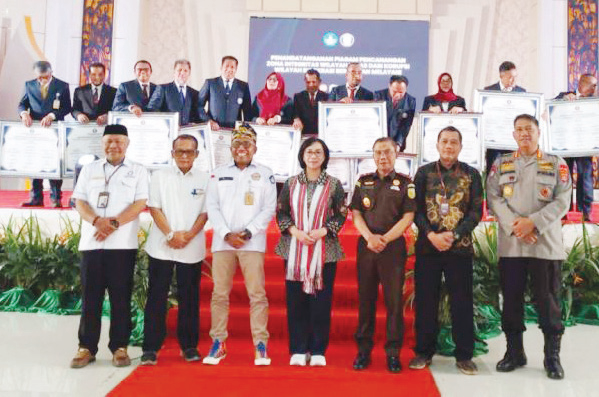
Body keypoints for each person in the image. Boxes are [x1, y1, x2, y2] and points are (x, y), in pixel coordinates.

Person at [487, 114, 571, 380]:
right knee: (511, 300)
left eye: (529, 129)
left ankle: (552, 357)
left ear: (538, 132)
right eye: (519, 130)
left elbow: (563, 201)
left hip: (544, 246)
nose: (524, 134)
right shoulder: (501, 164)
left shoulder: (556, 164)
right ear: (513, 135)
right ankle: (514, 352)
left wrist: (532, 224)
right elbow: (493, 197)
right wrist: (516, 225)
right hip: (512, 246)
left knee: (548, 302)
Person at [69, 124, 149, 369]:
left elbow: (140, 203)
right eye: (109, 141)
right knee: (90, 297)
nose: (113, 145)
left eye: (119, 141)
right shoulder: (89, 169)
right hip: (91, 243)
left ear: (127, 144)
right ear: (102, 143)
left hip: (122, 246)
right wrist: (96, 221)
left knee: (120, 298)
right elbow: (79, 200)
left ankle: (119, 347)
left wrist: (112, 224)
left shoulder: (138, 171)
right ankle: (86, 348)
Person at [409, 126, 483, 375]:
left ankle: (464, 356)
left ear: (461, 147)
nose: (449, 146)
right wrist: (431, 234)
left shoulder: (472, 174)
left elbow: (476, 211)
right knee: (426, 300)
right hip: (428, 247)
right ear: (437, 145)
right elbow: (415, 210)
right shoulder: (423, 173)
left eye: (454, 142)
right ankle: (423, 352)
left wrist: (456, 234)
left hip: (459, 247)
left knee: (462, 302)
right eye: (444, 142)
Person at [203, 124, 277, 366]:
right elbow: (211, 206)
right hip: (222, 244)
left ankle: (260, 344)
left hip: (252, 243)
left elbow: (269, 209)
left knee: (257, 295)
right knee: (219, 294)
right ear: (231, 148)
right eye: (237, 144)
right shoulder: (216, 172)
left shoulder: (266, 174)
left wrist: (247, 233)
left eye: (247, 144)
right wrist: (226, 234)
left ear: (255, 147)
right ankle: (218, 343)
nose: (242, 148)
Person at [275, 138, 347, 367]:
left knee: (320, 302)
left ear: (325, 157)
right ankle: (298, 348)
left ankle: (317, 349)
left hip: (324, 251)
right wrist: (295, 231)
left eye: (318, 152)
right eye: (309, 152)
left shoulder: (334, 184)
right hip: (294, 249)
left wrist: (325, 230)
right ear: (302, 155)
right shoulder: (291, 183)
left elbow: (341, 213)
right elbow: (281, 212)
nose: (313, 156)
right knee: (295, 301)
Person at [141, 134, 209, 365]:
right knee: (156, 297)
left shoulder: (205, 178)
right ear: (172, 154)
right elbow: (154, 208)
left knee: (189, 297)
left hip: (192, 246)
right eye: (179, 151)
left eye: (189, 151)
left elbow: (205, 212)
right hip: (162, 246)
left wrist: (188, 236)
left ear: (197, 155)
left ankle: (189, 346)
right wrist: (171, 234)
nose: (184, 156)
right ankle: (150, 347)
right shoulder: (159, 176)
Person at [350, 137, 415, 373]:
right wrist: (369, 238)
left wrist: (385, 239)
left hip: (393, 247)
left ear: (396, 154)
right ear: (373, 155)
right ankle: (363, 351)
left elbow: (407, 218)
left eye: (387, 152)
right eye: (378, 152)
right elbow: (356, 213)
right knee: (366, 300)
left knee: (394, 303)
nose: (382, 157)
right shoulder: (363, 182)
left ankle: (393, 353)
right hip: (367, 245)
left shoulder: (406, 183)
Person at [18, 60, 71, 208]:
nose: (41, 80)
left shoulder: (62, 85)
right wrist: (24, 114)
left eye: (45, 77)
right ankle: (36, 198)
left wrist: (52, 115)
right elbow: (22, 104)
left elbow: (67, 107)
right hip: (35, 131)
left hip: (54, 130)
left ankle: (55, 198)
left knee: (54, 163)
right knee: (35, 163)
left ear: (51, 73)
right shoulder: (29, 85)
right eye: (39, 77)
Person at [555, 74, 597, 220]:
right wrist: (563, 101)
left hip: (584, 145)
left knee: (585, 177)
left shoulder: (594, 102)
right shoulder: (565, 95)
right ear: (582, 84)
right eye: (593, 85)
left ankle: (585, 211)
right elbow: (549, 110)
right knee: (564, 178)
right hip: (565, 145)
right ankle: (563, 211)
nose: (595, 88)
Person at [484, 61, 527, 175]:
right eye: (509, 77)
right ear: (501, 76)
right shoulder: (488, 91)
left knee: (512, 175)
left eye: (515, 77)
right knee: (492, 174)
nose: (513, 81)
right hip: (494, 142)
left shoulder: (522, 92)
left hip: (513, 142)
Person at [198, 56, 252, 129]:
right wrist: (208, 121)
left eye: (232, 67)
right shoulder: (210, 83)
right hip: (213, 129)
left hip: (234, 131)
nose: (229, 69)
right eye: (226, 66)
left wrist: (244, 129)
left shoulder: (243, 86)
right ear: (221, 67)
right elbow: (199, 106)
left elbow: (247, 111)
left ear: (236, 69)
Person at [147, 59, 201, 126]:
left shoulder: (194, 93)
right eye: (179, 70)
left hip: (187, 133)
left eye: (185, 71)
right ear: (174, 72)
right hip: (167, 130)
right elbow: (152, 109)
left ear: (189, 73)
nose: (182, 73)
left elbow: (197, 114)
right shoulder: (163, 88)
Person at [374, 75, 416, 152]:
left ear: (406, 89)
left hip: (397, 144)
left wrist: (398, 143)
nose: (397, 95)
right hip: (379, 142)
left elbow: (406, 125)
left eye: (401, 92)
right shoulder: (378, 96)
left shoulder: (410, 101)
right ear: (389, 86)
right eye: (394, 91)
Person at [292, 69, 329, 136]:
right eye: (308, 82)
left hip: (321, 135)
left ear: (319, 81)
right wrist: (296, 119)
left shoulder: (326, 97)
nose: (311, 85)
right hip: (303, 135)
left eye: (313, 82)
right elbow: (295, 113)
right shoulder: (298, 97)